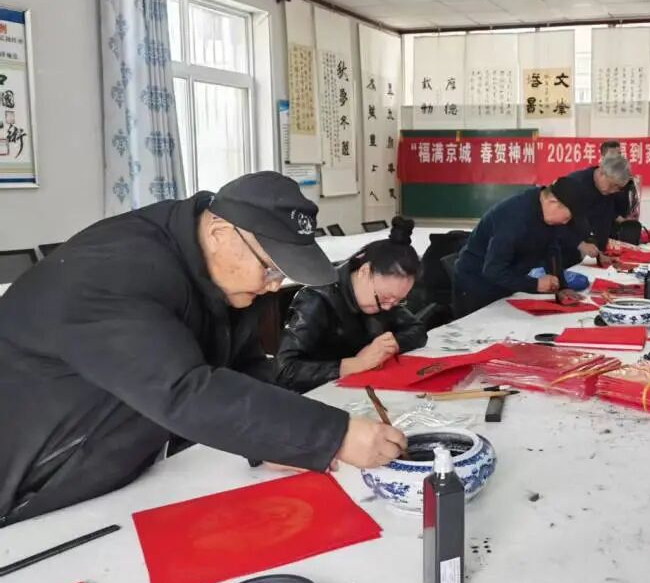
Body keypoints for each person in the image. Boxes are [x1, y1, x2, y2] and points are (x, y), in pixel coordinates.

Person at [0, 172, 406, 526]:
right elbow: (183, 389)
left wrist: (275, 442)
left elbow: (244, 367)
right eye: (270, 269)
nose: (272, 286)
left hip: (110, 474)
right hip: (26, 487)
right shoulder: (114, 271)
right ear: (219, 234)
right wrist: (332, 434)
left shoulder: (218, 273)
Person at [274, 217, 428, 393]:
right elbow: (284, 370)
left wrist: (391, 345)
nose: (387, 307)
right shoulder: (316, 300)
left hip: (363, 388)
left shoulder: (385, 297)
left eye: (398, 300)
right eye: (384, 298)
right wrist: (355, 364)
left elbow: (417, 329)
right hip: (318, 395)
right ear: (364, 271)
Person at [452, 176, 585, 318]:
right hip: (476, 285)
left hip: (506, 281)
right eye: (567, 218)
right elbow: (493, 270)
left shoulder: (547, 213)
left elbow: (552, 248)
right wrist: (535, 285)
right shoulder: (514, 220)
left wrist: (561, 287)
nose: (565, 223)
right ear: (552, 202)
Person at [566, 143, 633, 263]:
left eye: (617, 188)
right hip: (565, 253)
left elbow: (603, 222)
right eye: (612, 185)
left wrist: (599, 254)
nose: (613, 191)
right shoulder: (575, 184)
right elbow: (555, 224)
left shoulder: (608, 191)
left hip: (590, 256)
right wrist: (579, 244)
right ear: (601, 172)